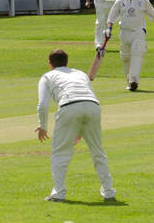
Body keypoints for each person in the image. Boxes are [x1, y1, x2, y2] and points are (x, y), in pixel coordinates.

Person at [36, 49, 116, 203]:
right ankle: (109, 191)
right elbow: (86, 96)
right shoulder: (80, 73)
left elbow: (42, 105)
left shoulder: (47, 76)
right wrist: (79, 127)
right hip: (93, 107)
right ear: (66, 62)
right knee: (98, 151)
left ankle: (58, 193)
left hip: (69, 107)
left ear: (49, 64)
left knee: (60, 154)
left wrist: (42, 126)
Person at [105, 0, 154, 91]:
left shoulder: (143, 0)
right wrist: (109, 28)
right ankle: (129, 81)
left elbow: (153, 15)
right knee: (125, 58)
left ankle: (134, 80)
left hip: (138, 32)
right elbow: (112, 16)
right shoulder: (120, 0)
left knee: (137, 52)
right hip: (124, 32)